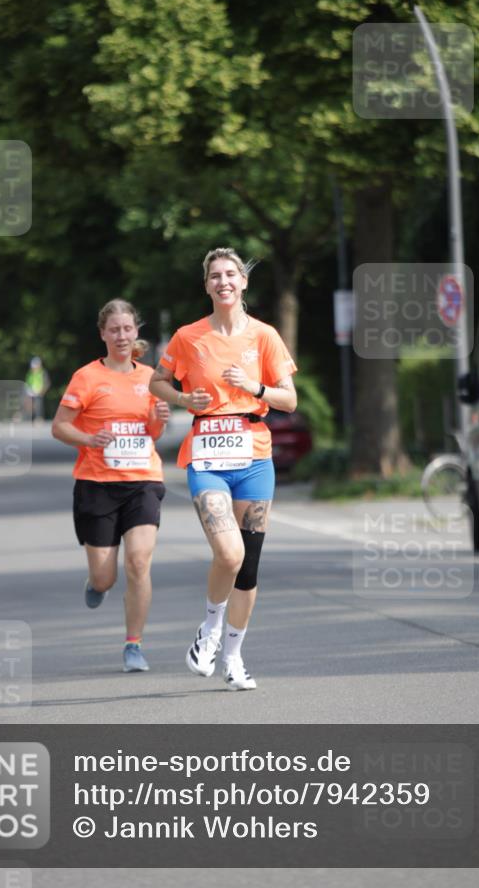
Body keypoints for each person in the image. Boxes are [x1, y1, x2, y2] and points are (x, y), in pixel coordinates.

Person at [149, 248, 297, 691]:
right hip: (208, 456)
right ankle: (210, 629)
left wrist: (254, 386)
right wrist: (181, 400)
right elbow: (157, 380)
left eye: (231, 274)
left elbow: (289, 399)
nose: (223, 281)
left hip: (254, 456)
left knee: (247, 567)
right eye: (215, 276)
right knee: (228, 554)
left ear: (243, 282)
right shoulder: (188, 337)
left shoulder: (265, 336)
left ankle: (233, 657)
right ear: (207, 285)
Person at [52, 300, 170, 673]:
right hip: (97, 484)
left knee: (138, 561)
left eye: (127, 329)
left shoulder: (151, 377)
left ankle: (133, 644)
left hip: (143, 482)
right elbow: (60, 426)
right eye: (114, 330)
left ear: (136, 332)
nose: (121, 335)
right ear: (102, 334)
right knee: (106, 576)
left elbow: (154, 434)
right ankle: (97, 583)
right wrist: (89, 439)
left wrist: (158, 417)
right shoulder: (87, 377)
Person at [24, 356, 50, 422]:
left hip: (39, 392)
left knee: (39, 405)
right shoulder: (30, 373)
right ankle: (30, 418)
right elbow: (28, 382)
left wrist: (43, 390)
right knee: (30, 405)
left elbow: (46, 382)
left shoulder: (43, 373)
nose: (34, 368)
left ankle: (39, 418)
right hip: (31, 392)